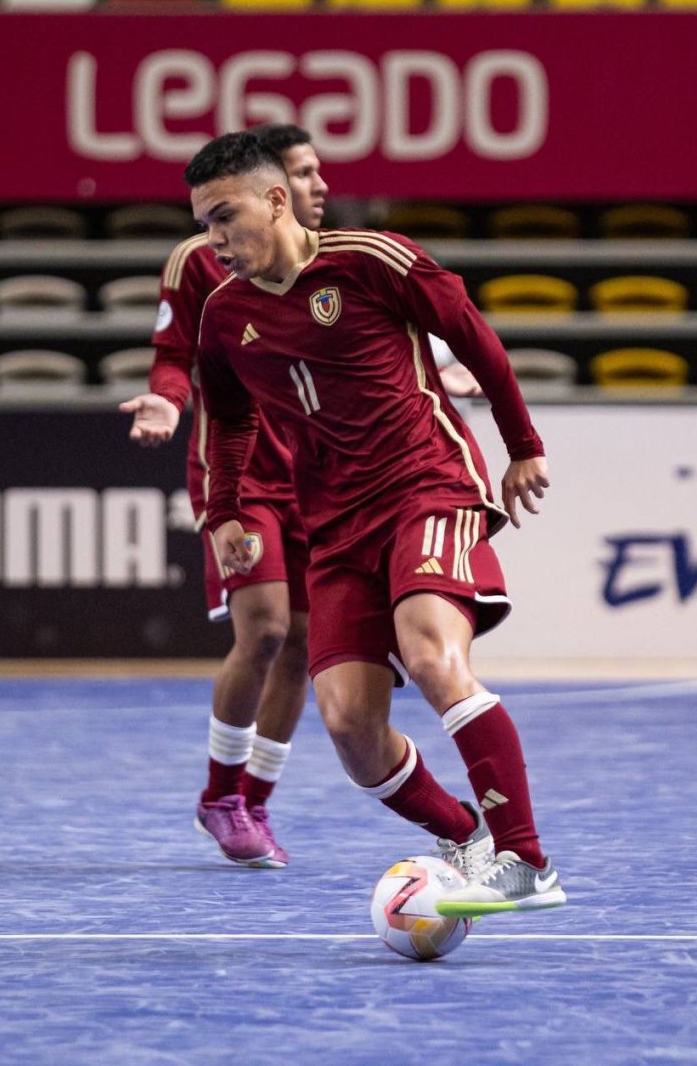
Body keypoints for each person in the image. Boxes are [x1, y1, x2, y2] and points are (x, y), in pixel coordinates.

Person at [188, 131, 567, 916]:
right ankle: (465, 836)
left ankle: (527, 861)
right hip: (334, 528)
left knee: (430, 655)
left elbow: (474, 337)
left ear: (276, 201)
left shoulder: (372, 259)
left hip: (426, 487)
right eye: (203, 225)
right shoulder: (224, 316)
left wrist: (522, 447)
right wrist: (224, 512)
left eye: (225, 217)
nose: (214, 240)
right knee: (350, 728)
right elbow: (228, 419)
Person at [120, 125, 329, 870]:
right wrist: (166, 401)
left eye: (319, 171)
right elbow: (172, 356)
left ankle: (255, 802)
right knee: (265, 631)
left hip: (318, 476)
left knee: (303, 644)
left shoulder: (336, 258)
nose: (319, 186)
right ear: (271, 188)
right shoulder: (202, 258)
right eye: (303, 173)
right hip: (238, 473)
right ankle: (219, 796)